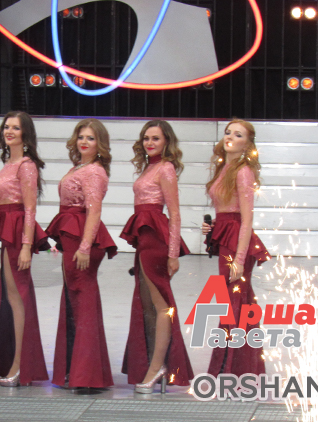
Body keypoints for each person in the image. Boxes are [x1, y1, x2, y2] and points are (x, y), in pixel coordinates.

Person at [120, 120, 194, 393]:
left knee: (161, 306)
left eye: (156, 138)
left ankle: (158, 367)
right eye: (146, 138)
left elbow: (174, 214)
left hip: (156, 242)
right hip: (145, 240)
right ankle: (155, 363)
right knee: (150, 306)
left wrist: (173, 254)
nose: (149, 143)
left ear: (166, 142)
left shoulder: (165, 168)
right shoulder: (149, 167)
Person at [45, 118, 116, 389]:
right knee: (77, 301)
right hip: (73, 235)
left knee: (83, 301)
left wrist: (85, 247)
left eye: (91, 138)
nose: (84, 142)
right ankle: (79, 372)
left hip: (83, 239)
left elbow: (94, 210)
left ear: (100, 144)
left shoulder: (94, 171)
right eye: (81, 137)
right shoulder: (79, 167)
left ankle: (87, 376)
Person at [0, 112, 50, 387]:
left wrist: (26, 246)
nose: (9, 131)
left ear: (26, 133)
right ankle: (18, 362)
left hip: (18, 233)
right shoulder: (9, 163)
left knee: (19, 298)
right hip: (8, 233)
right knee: (13, 298)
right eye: (6, 127)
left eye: (16, 128)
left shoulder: (26, 165)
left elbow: (30, 208)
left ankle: (21, 365)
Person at [201, 119, 270, 376]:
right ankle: (240, 369)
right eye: (228, 132)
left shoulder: (243, 171)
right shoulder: (224, 169)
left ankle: (234, 370)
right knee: (233, 304)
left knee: (235, 304)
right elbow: (226, 210)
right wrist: (212, 227)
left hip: (237, 242)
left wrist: (239, 259)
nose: (230, 137)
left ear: (248, 144)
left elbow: (246, 219)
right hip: (227, 237)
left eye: (238, 134)